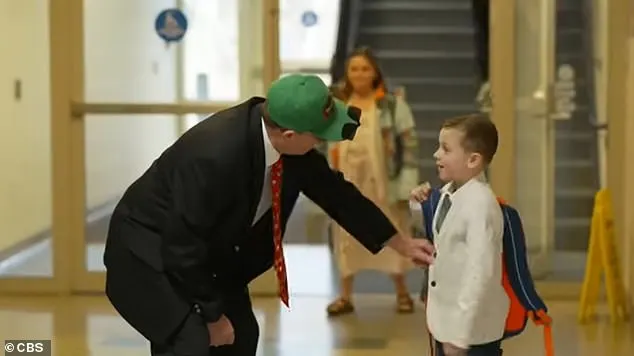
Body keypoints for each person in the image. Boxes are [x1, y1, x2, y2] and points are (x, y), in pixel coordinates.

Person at [103, 73, 435, 356]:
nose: (321, 143)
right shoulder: (214, 155)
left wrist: (401, 244)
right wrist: (212, 316)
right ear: (290, 135)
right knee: (193, 341)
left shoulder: (287, 140)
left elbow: (339, 196)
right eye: (319, 137)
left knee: (242, 335)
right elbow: (182, 246)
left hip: (208, 253)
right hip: (149, 255)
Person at [326, 47, 420, 316]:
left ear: (375, 72)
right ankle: (345, 296)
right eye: (354, 68)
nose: (359, 74)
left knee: (392, 232)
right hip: (347, 181)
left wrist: (406, 182)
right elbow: (327, 140)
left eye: (365, 68)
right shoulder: (339, 104)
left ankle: (402, 292)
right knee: (346, 237)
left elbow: (409, 144)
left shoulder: (391, 105)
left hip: (383, 183)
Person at [410, 114, 508, 356]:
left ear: (473, 160)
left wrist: (460, 334)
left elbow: (480, 272)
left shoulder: (480, 205)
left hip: (471, 333)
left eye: (445, 149)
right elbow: (439, 234)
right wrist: (416, 205)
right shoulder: (448, 192)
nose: (436, 154)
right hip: (447, 323)